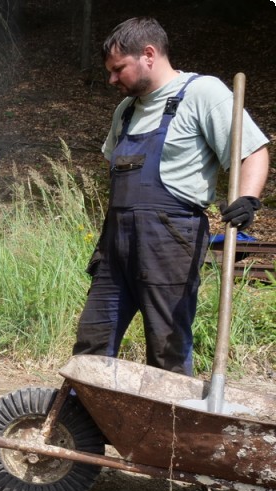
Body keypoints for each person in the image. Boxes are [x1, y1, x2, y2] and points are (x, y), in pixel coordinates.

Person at [72, 17, 269, 375]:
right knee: (92, 343)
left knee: (168, 347)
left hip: (169, 242)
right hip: (115, 244)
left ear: (148, 54)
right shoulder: (126, 110)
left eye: (118, 69)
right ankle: (82, 426)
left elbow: (252, 152)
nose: (112, 79)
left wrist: (248, 199)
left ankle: (172, 427)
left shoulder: (202, 93)